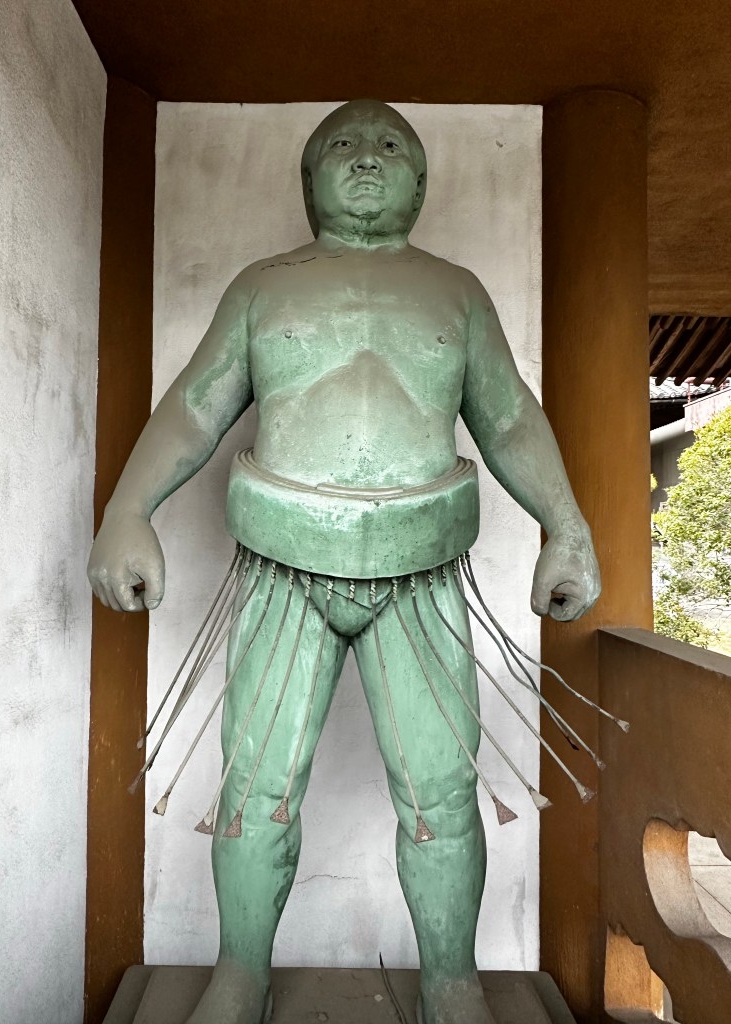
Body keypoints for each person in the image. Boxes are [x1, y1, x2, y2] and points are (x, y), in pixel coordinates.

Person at [88, 100, 600, 1024]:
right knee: (255, 786)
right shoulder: (263, 286)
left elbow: (510, 417)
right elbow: (195, 408)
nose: (367, 156)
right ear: (307, 178)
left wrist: (566, 524)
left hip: (422, 576)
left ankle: (451, 984)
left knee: (442, 793)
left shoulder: (456, 292)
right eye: (343, 145)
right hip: (282, 568)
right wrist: (129, 508)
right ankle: (241, 973)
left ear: (422, 182)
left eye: (391, 145)